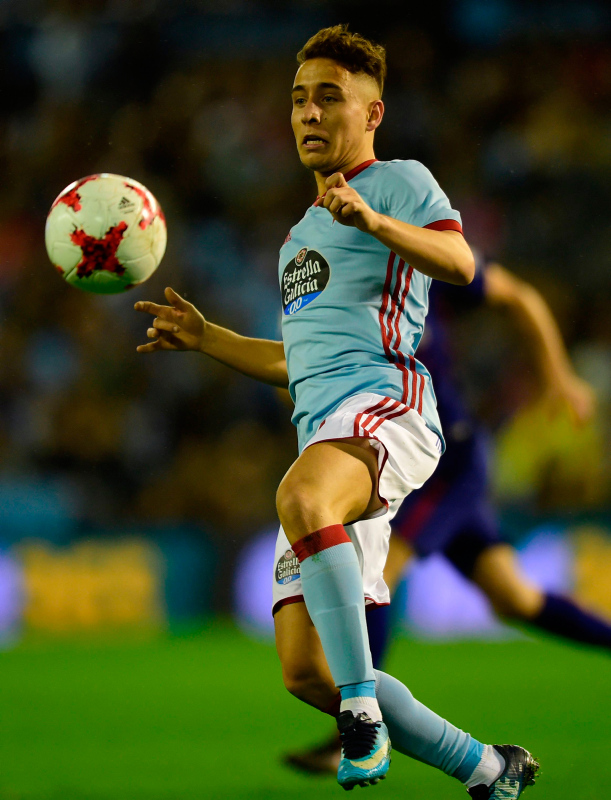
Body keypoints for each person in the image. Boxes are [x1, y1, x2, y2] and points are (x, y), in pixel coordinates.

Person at [135, 25, 539, 796]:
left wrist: (375, 222)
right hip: (330, 429)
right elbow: (302, 364)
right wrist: (208, 338)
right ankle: (489, 767)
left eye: (329, 97)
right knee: (305, 670)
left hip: (389, 403)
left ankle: (361, 718)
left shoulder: (397, 181)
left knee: (299, 497)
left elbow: (459, 262)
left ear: (371, 113)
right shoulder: (297, 240)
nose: (309, 114)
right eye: (298, 100)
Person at [284, 255, 610, 776]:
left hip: (444, 460)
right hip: (415, 461)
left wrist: (558, 376)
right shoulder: (337, 278)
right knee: (514, 598)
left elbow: (519, 295)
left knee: (377, 573)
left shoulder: (418, 256)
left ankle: (354, 728)